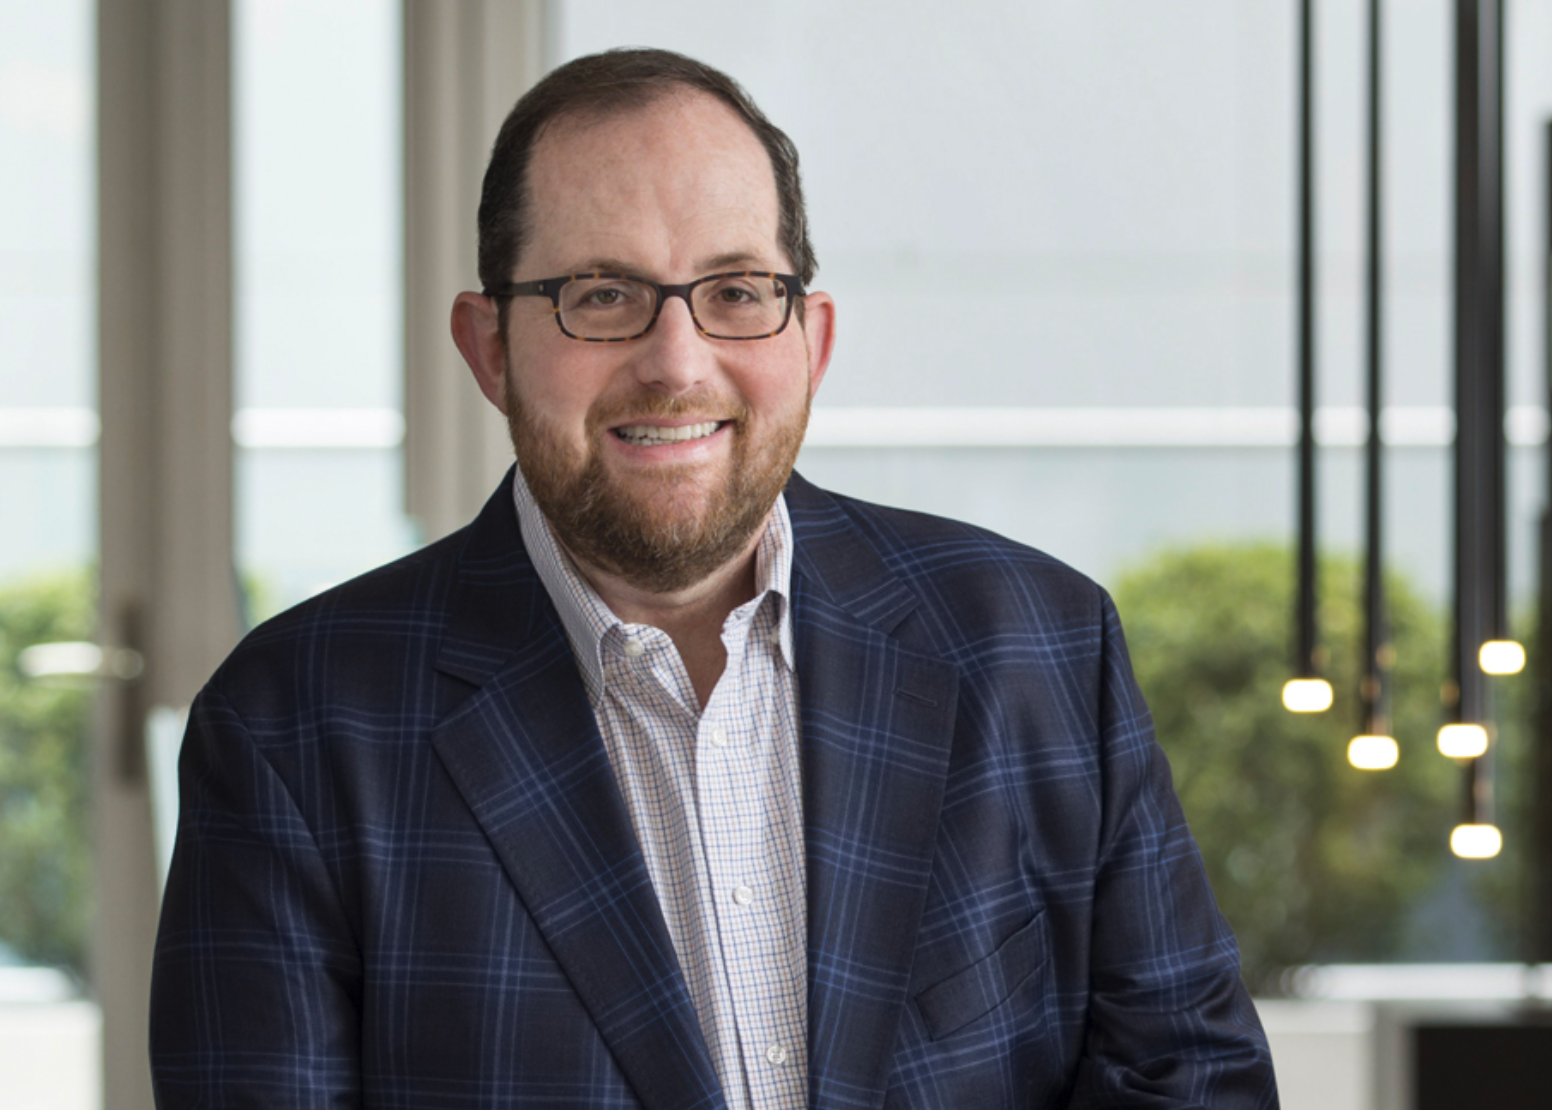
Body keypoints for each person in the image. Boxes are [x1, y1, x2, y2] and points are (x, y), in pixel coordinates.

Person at [150, 48, 1278, 1109]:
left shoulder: (1037, 645)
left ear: (811, 340)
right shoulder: (292, 726)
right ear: (489, 348)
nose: (677, 363)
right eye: (599, 295)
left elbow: (1189, 1080)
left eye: (736, 291)